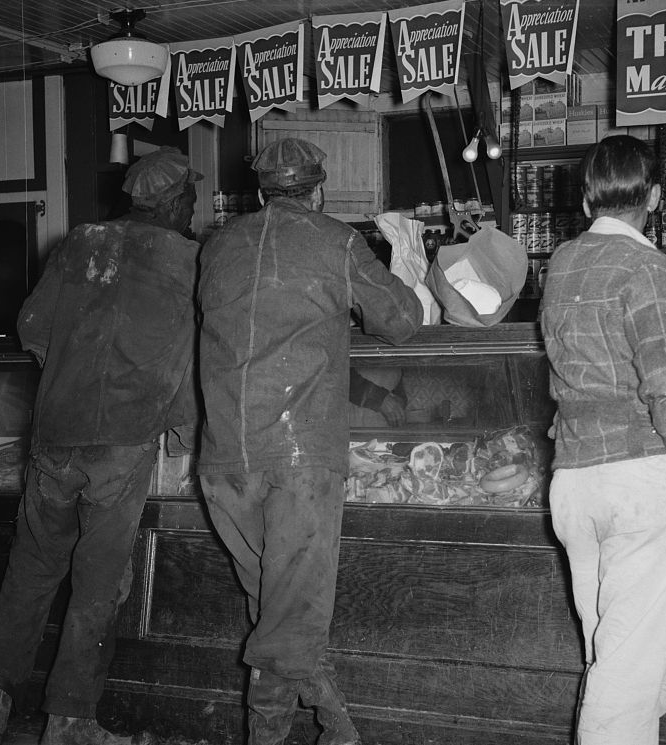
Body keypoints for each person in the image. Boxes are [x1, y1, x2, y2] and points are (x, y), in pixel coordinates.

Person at [0, 146, 202, 745]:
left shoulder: (80, 242)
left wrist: (71, 378)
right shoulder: (189, 261)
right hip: (121, 443)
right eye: (191, 199)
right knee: (99, 582)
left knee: (30, 569)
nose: (195, 209)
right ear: (172, 203)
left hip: (54, 437)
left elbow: (32, 328)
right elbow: (196, 360)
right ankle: (68, 721)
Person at [197, 137, 422, 745]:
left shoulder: (217, 247)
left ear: (259, 192)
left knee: (277, 610)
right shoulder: (336, 241)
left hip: (222, 462)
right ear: (318, 189)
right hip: (298, 463)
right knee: (288, 624)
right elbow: (403, 321)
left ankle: (337, 726)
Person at [539, 134, 666, 745]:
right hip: (639, 484)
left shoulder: (559, 262)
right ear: (658, 198)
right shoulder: (645, 264)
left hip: (574, 486)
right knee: (629, 683)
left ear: (588, 199)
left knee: (615, 659)